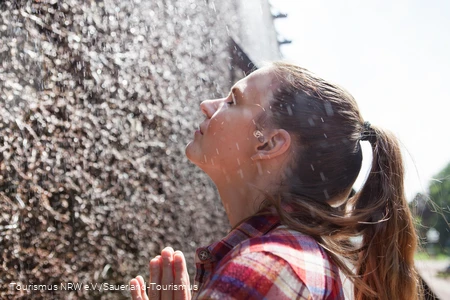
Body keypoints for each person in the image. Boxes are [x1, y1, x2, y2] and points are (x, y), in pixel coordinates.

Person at [129, 62, 421, 300]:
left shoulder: (262, 270)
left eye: (233, 100)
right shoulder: (300, 261)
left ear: (268, 144)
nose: (207, 105)